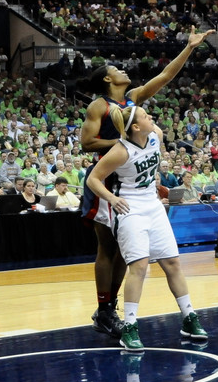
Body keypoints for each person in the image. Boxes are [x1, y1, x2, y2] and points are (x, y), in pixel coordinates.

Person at [80, 25, 214, 339]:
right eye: (116, 69)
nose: (122, 69)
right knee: (107, 247)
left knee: (129, 253)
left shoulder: (133, 99)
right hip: (110, 179)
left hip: (134, 179)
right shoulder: (99, 106)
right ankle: (104, 310)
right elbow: (86, 142)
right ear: (106, 79)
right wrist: (124, 147)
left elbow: (166, 75)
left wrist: (190, 47)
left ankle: (111, 308)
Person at [85, 104, 208, 352]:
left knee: (172, 263)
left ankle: (189, 317)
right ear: (135, 127)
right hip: (130, 209)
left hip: (153, 206)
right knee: (139, 266)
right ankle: (130, 326)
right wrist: (112, 198)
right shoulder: (120, 151)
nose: (150, 116)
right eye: (144, 116)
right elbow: (92, 179)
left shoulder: (156, 136)